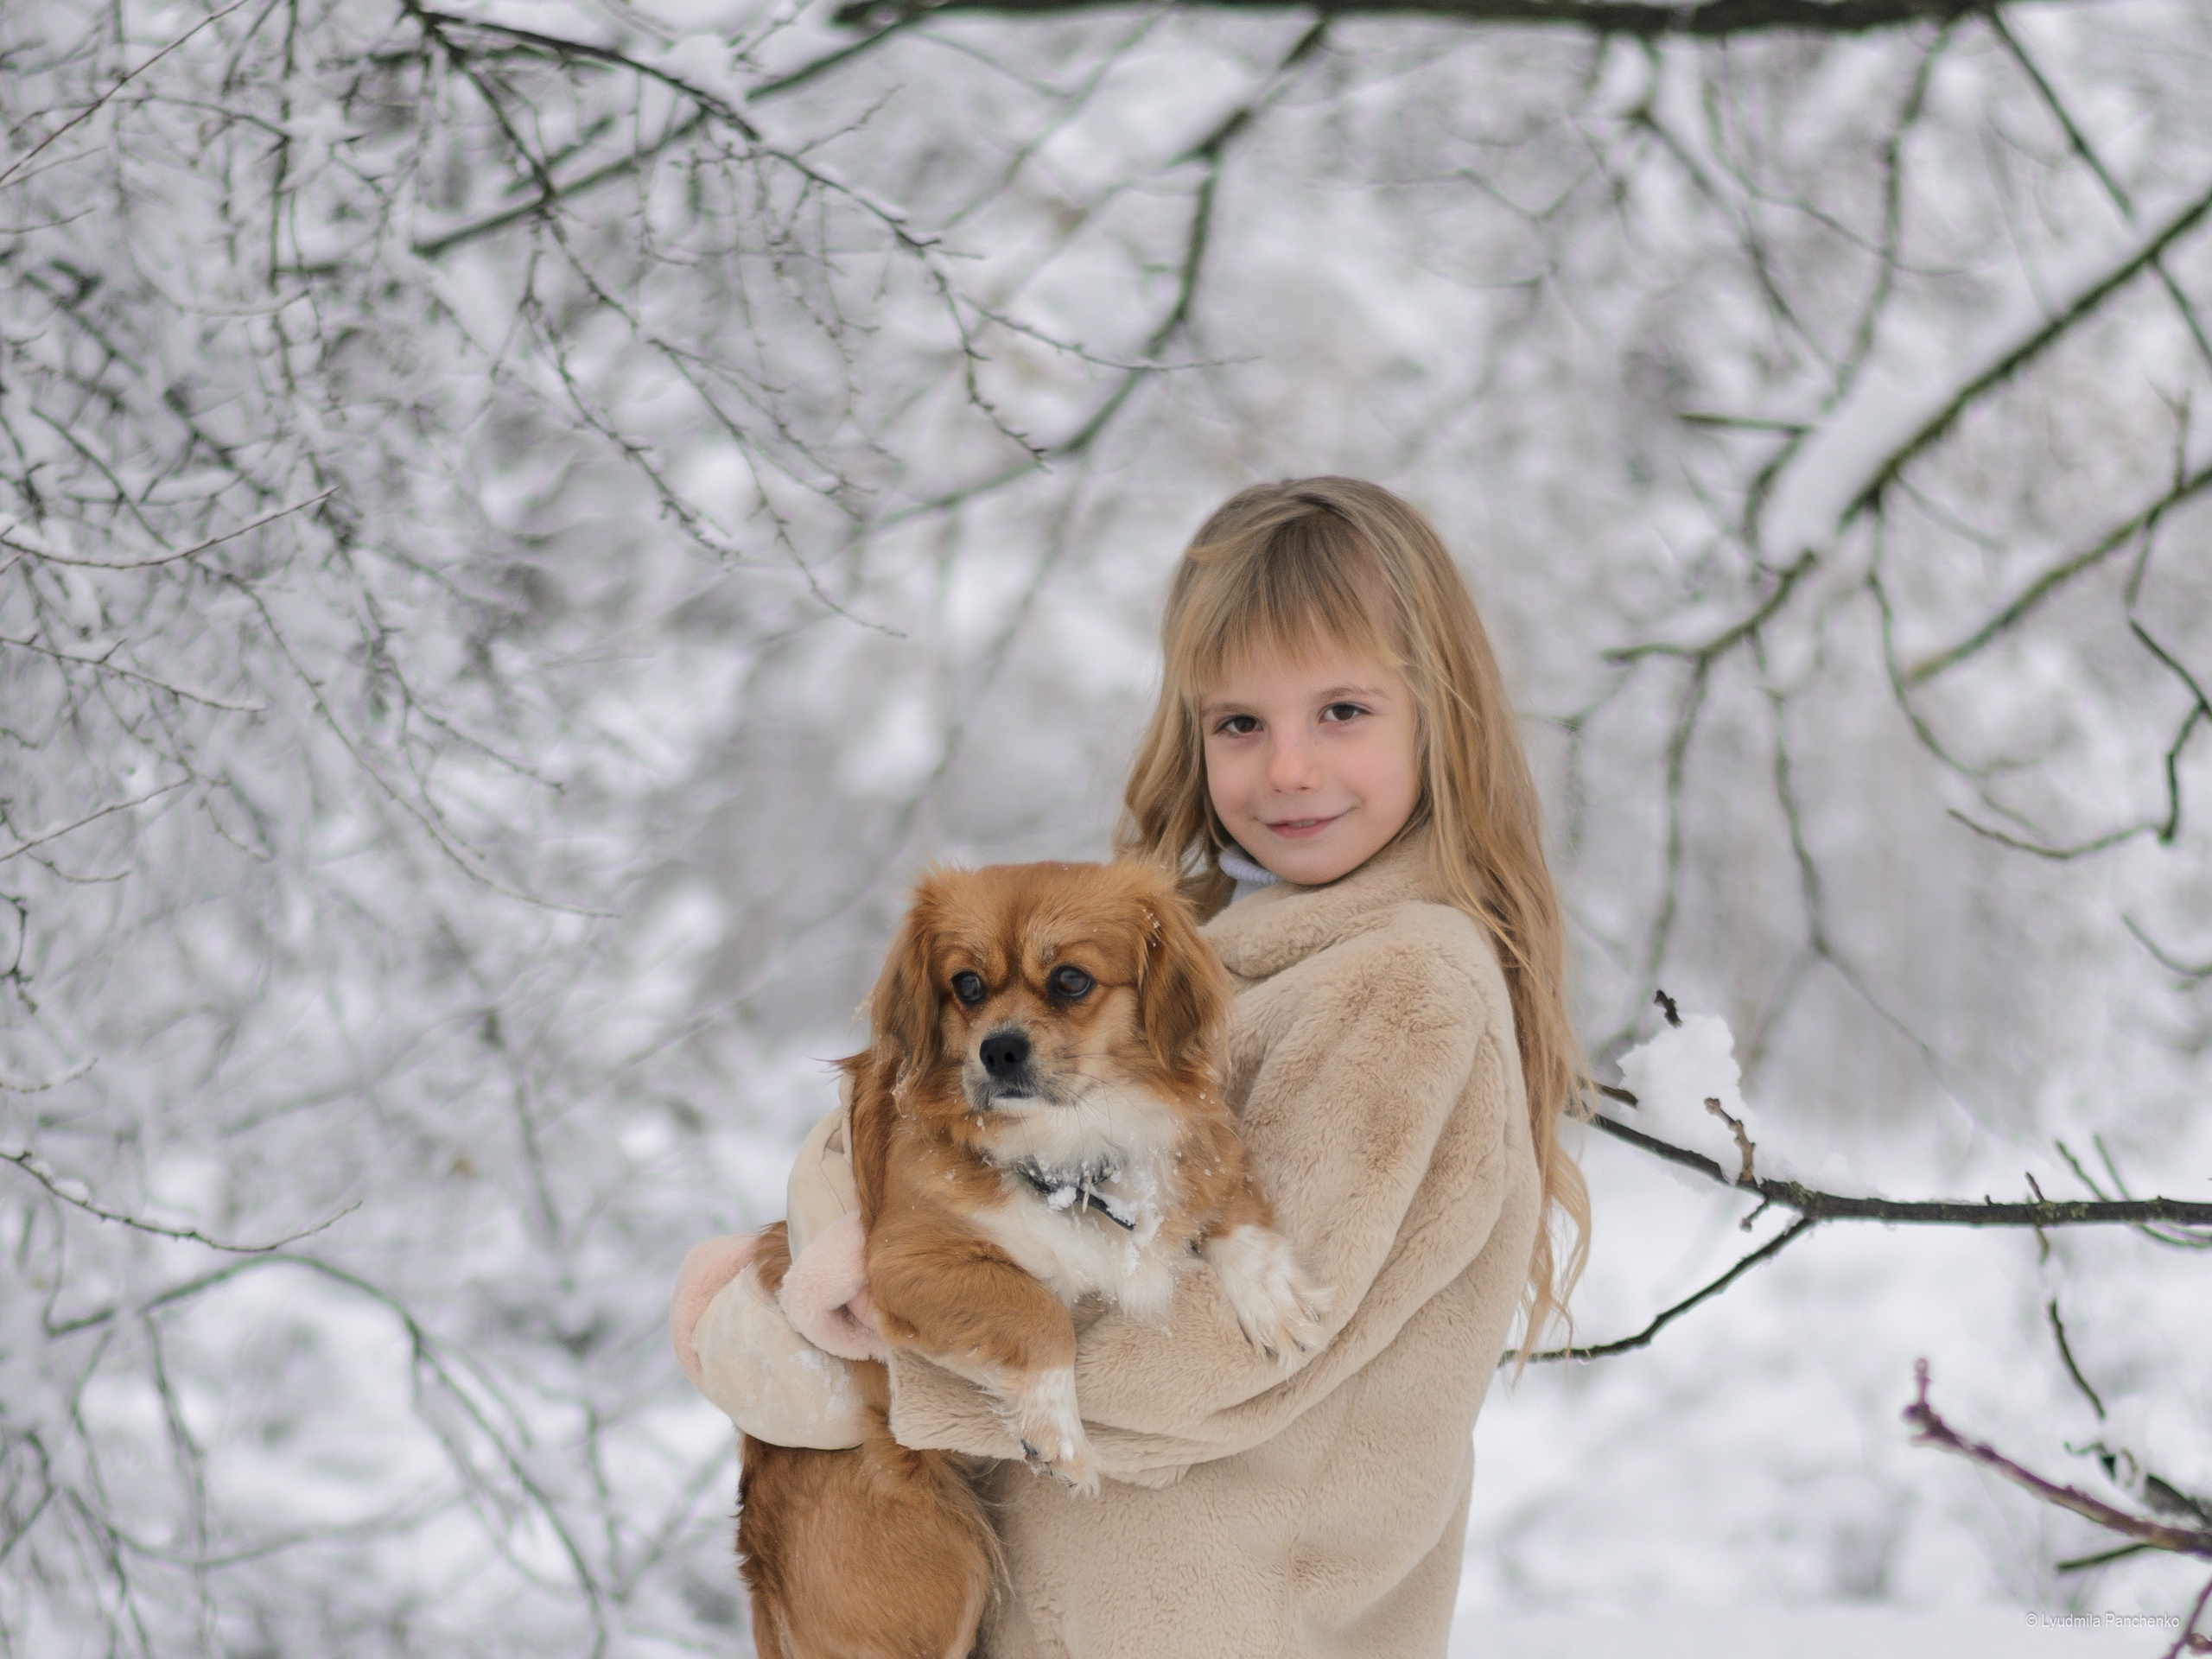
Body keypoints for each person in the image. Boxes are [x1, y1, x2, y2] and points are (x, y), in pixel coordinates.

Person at [670, 476, 1590, 1656]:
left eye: (1344, 712)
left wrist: (895, 1359)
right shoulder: (1210, 958)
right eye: (1241, 725)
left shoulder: (1403, 986)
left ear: (1441, 716)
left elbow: (1230, 1353)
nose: (1290, 770)